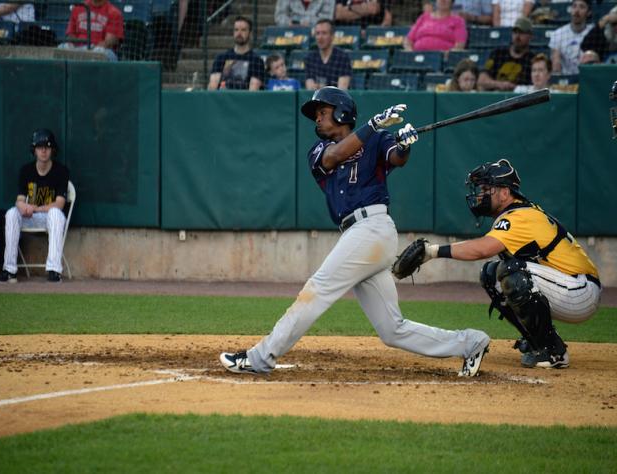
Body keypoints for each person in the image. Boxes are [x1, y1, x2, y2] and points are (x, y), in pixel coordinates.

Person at [219, 86, 491, 378]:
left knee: (317, 289)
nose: (318, 120)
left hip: (372, 228)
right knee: (392, 329)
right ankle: (470, 342)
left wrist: (404, 145)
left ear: (341, 113)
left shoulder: (377, 139)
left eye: (323, 113)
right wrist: (372, 125)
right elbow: (333, 157)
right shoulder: (319, 150)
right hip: (359, 234)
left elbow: (396, 158)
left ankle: (260, 358)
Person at [409, 159, 601, 369]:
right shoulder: (518, 213)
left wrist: (433, 251)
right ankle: (538, 340)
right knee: (491, 274)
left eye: (486, 189)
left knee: (512, 271)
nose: (480, 194)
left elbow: (482, 248)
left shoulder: (519, 216)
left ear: (504, 193)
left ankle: (553, 352)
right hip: (566, 286)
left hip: (580, 291)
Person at [0, 129, 70, 284]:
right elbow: (20, 199)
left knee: (56, 214)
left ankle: (54, 270)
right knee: (11, 214)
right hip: (30, 217)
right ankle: (9, 270)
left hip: (49, 218)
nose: (43, 151)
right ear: (34, 150)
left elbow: (59, 204)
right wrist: (22, 206)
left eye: (47, 147)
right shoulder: (26, 170)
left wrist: (35, 208)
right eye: (40, 147)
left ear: (52, 150)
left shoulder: (61, 171)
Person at [208, 16, 265, 90]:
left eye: (243, 30)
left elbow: (253, 92)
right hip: (222, 99)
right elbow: (212, 87)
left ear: (250, 33)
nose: (239, 33)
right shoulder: (221, 58)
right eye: (236, 30)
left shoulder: (256, 60)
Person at [478, 16, 534, 91]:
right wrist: (499, 84)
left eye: (521, 33)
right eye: (515, 32)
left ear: (530, 36)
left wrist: (515, 88)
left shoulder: (532, 59)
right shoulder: (498, 53)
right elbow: (481, 80)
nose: (517, 36)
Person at [59, 0, 124, 62]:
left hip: (98, 50)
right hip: (78, 49)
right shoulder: (78, 8)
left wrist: (91, 51)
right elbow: (70, 34)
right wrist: (71, 44)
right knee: (61, 47)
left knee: (104, 53)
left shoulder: (114, 13)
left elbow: (109, 42)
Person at [305, 19, 353, 90]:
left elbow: (342, 89)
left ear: (332, 36)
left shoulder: (342, 57)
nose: (320, 37)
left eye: (324, 33)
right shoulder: (310, 58)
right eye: (317, 33)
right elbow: (310, 88)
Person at [549, 0, 593, 75]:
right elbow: (555, 65)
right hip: (565, 81)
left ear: (589, 12)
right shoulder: (558, 34)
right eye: (574, 6)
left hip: (589, 78)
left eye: (582, 7)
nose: (576, 11)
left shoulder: (594, 33)